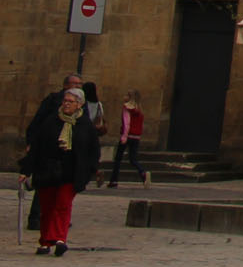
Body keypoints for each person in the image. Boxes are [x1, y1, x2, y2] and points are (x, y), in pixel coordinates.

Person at [19, 84, 100, 256]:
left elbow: (93, 150)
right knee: (47, 208)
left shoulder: (85, 125)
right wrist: (26, 170)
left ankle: (59, 239)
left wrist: (90, 170)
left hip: (70, 173)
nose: (67, 104)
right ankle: (45, 241)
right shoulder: (51, 121)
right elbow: (37, 147)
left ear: (79, 104)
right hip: (47, 171)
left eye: (71, 101)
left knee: (63, 205)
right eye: (65, 100)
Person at [108, 89, 150, 187]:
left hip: (128, 136)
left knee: (118, 159)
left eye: (126, 95)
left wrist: (124, 136)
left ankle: (114, 180)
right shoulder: (139, 110)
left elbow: (127, 123)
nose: (124, 96)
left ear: (129, 97)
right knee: (133, 159)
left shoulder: (127, 108)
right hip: (136, 137)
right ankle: (142, 172)